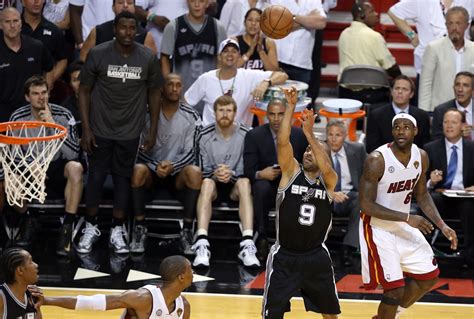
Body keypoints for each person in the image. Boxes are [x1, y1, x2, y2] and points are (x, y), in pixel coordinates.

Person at [76, 11, 163, 255]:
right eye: (122, 27)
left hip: (130, 130)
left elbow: (155, 94)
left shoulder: (147, 56)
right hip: (100, 128)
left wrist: (152, 130)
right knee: (95, 176)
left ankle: (117, 229)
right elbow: (83, 91)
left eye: (131, 28)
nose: (127, 32)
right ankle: (91, 226)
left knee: (123, 178)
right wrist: (86, 127)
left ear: (137, 30)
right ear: (114, 28)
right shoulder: (98, 52)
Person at [359, 113, 458, 319]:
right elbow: (366, 205)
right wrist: (407, 218)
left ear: (415, 131)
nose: (400, 131)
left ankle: (390, 315)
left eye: (406, 127)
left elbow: (422, 195)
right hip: (378, 228)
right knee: (394, 290)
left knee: (429, 278)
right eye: (396, 127)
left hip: (402, 225)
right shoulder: (377, 160)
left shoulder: (421, 156)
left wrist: (442, 225)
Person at [262, 87, 340, 319]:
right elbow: (283, 141)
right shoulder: (290, 172)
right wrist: (290, 106)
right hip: (284, 255)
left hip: (316, 256)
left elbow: (327, 168)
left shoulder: (329, 181)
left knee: (330, 314)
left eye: (313, 151)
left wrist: (311, 136)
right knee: (272, 314)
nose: (308, 153)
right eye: (306, 150)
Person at [8, 75, 82, 254]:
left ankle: (67, 227)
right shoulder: (18, 117)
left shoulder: (64, 115)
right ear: (27, 97)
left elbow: (73, 153)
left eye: (44, 93)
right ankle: (28, 219)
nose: (41, 97)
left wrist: (52, 124)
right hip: (29, 168)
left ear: (49, 94)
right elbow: (11, 157)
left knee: (76, 168)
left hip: (57, 165)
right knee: (11, 178)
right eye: (35, 93)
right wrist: (30, 166)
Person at [131, 73, 202, 255]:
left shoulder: (191, 115)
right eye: (170, 84)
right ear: (162, 88)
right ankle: (139, 228)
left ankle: (187, 230)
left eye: (178, 85)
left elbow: (193, 152)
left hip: (176, 174)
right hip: (151, 172)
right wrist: (155, 166)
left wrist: (173, 166)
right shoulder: (145, 113)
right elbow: (136, 149)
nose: (174, 89)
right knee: (137, 170)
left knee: (194, 172)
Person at [192, 95, 260, 268]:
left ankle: (247, 243)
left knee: (244, 183)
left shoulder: (247, 134)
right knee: (206, 183)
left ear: (235, 113)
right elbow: (200, 169)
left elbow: (250, 170)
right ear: (214, 113)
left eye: (228, 110)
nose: (224, 114)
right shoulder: (204, 135)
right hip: (213, 183)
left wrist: (232, 174)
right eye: (221, 110)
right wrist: (216, 173)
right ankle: (201, 243)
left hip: (235, 185)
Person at [243, 98, 307, 262]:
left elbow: (309, 166)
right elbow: (248, 170)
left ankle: (295, 241)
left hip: (291, 185)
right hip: (267, 187)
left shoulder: (299, 135)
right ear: (266, 116)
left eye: (281, 114)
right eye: (272, 114)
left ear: (287, 116)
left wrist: (293, 171)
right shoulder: (254, 135)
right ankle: (262, 237)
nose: (277, 118)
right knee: (260, 187)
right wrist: (260, 174)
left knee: (300, 187)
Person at [38, 255, 192, 318]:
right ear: (181, 277)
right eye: (190, 269)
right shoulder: (143, 298)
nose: (193, 272)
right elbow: (92, 303)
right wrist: (47, 300)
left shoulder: (183, 306)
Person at [184, 38, 288, 126]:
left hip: (241, 138)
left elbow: (282, 75)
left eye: (234, 51)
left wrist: (266, 82)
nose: (230, 54)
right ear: (219, 57)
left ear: (239, 56)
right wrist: (195, 127)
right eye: (225, 51)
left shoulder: (249, 76)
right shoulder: (206, 78)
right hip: (211, 138)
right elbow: (185, 103)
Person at [388, 0, 474, 105]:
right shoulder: (422, 2)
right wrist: (412, 36)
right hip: (429, 69)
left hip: (461, 67)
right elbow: (395, 12)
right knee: (427, 107)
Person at [425, 109, 474, 268]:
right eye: (446, 122)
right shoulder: (430, 148)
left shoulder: (472, 148)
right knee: (431, 199)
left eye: (453, 122)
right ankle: (425, 253)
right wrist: (431, 182)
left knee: (470, 206)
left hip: (465, 196)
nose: (449, 126)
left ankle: (469, 256)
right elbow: (420, 182)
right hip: (441, 194)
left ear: (462, 126)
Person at [338, 1, 401, 104]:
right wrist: (400, 78)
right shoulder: (374, 36)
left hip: (346, 94)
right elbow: (390, 66)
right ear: (362, 15)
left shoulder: (343, 35)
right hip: (374, 95)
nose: (376, 14)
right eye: (372, 11)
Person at [0, 7, 54, 122]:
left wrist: (44, 95)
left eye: (15, 21)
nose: (12, 26)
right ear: (1, 25)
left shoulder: (36, 47)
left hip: (33, 113)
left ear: (21, 23)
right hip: (4, 115)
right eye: (7, 22)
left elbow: (49, 68)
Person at [160, 0, 227, 93]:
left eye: (201, 1)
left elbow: (222, 60)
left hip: (209, 91)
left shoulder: (218, 27)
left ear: (207, 3)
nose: (197, 5)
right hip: (181, 91)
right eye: (192, 1)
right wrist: (169, 84)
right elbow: (164, 58)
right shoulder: (173, 26)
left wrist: (218, 85)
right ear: (187, 2)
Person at [326, 119, 366, 267]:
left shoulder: (357, 150)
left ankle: (347, 248)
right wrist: (331, 193)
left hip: (349, 196)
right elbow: (311, 180)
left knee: (361, 199)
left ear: (344, 136)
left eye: (338, 135)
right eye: (330, 135)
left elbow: (368, 174)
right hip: (326, 196)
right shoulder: (318, 151)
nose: (334, 139)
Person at [419, 6, 474, 112]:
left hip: (469, 112)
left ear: (466, 25)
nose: (454, 28)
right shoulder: (433, 48)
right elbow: (425, 84)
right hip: (440, 110)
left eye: (458, 23)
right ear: (446, 25)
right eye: (450, 23)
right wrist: (425, 113)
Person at [267, 0, 326, 85]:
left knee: (300, 97)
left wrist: (293, 17)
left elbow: (321, 23)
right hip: (279, 60)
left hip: (302, 63)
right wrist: (307, 18)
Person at [366, 75, 431, 153]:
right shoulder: (376, 115)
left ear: (411, 94)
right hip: (384, 161)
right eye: (397, 88)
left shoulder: (422, 116)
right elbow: (372, 147)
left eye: (404, 89)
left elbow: (424, 146)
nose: (400, 92)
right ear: (391, 92)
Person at [79, 0, 157, 62]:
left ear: (134, 7)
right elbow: (83, 59)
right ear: (113, 7)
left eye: (129, 3)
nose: (125, 6)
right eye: (120, 2)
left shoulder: (145, 36)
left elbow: (152, 67)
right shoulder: (98, 31)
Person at [21, 0, 68, 90]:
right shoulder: (14, 29)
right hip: (16, 88)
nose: (36, 2)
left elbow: (62, 60)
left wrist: (48, 81)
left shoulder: (54, 30)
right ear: (23, 2)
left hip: (43, 91)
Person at [0, 247, 42, 318]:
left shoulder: (33, 296)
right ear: (20, 270)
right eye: (31, 262)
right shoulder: (2, 297)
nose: (36, 265)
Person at [432, 71, 474, 140]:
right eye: (457, 85)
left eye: (465, 85)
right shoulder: (441, 111)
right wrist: (458, 135)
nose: (460, 89)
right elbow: (436, 142)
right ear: (453, 88)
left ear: (473, 91)